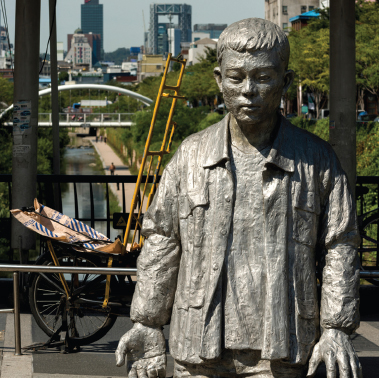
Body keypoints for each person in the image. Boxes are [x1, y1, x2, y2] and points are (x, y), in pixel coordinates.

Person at [116, 18, 362, 378]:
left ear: (284, 81)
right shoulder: (190, 156)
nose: (249, 90)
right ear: (219, 79)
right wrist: (148, 323)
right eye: (236, 77)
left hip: (283, 348)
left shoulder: (317, 160)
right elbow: (161, 239)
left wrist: (336, 328)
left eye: (263, 78)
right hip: (197, 344)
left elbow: (341, 243)